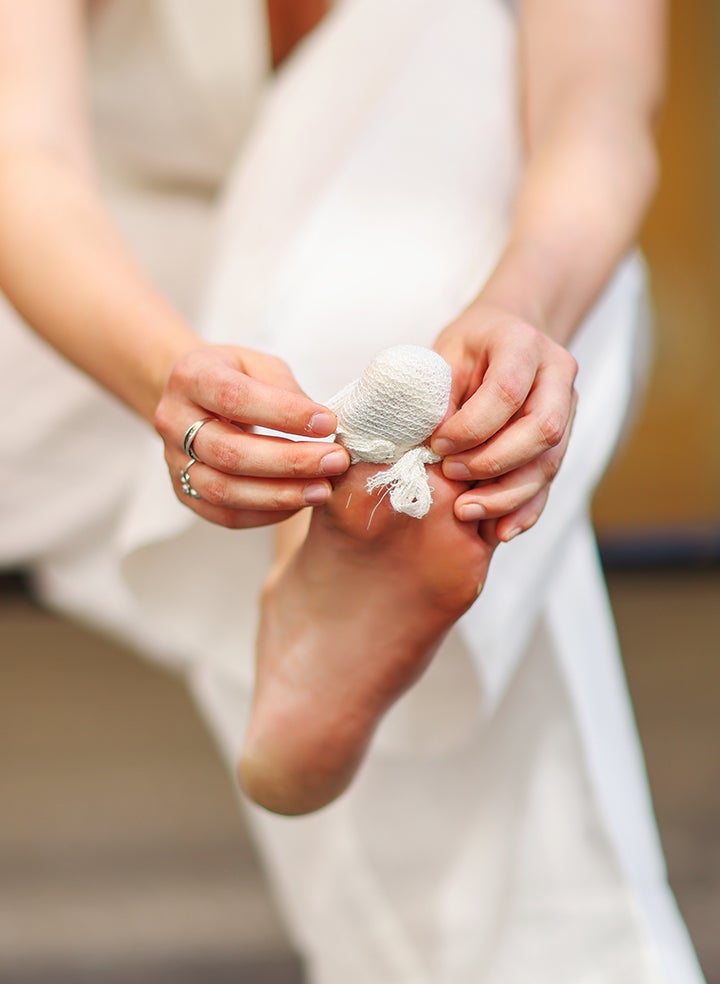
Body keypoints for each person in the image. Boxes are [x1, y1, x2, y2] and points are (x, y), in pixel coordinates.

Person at [0, 0, 706, 981]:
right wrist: (172, 375)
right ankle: (353, 542)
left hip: (401, 300)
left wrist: (516, 311)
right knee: (388, 349)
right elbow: (21, 158)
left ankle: (346, 548)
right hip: (66, 334)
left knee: (446, 62)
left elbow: (599, 107)